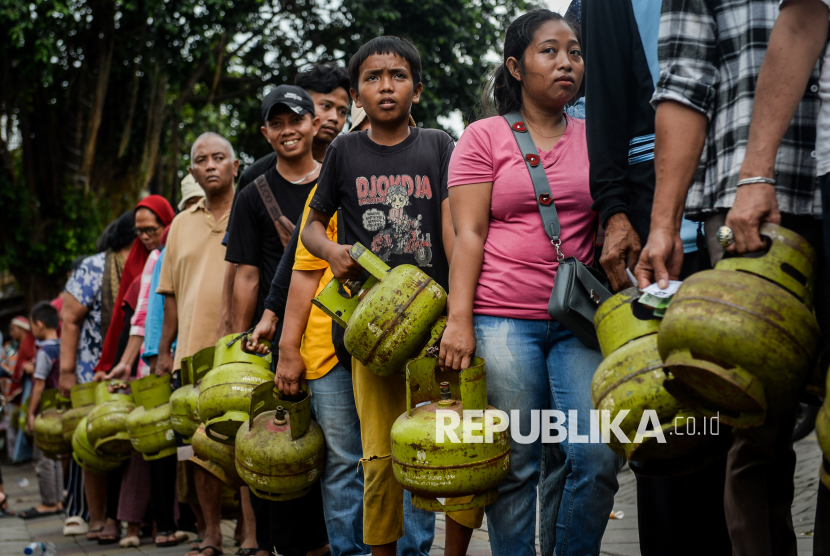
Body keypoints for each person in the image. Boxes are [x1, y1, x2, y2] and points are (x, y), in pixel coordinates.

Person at [633, 1, 823, 554]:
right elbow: (685, 83)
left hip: (823, 176)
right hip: (750, 207)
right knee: (755, 428)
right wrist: (663, 224)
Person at [438, 10, 622, 555]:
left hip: (579, 323)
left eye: (575, 52)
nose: (567, 62)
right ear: (516, 67)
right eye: (550, 51)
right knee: (516, 462)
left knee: (595, 455)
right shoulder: (482, 137)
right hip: (502, 320)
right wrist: (459, 321)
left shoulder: (599, 140)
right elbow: (467, 234)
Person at [301, 35, 479, 556]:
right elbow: (310, 228)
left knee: (451, 444)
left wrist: (456, 309)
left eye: (397, 76)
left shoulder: (439, 145)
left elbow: (452, 229)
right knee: (379, 455)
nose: (385, 86)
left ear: (417, 90)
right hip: (372, 333)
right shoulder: (343, 151)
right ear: (357, 93)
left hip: (435, 327)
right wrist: (333, 253)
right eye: (373, 78)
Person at [581, 1, 731, 554]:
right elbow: (607, 107)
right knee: (667, 424)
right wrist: (614, 209)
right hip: (654, 234)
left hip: (733, 210)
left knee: (739, 421)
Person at [713, 1, 830, 552]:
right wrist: (756, 174)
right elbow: (804, 16)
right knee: (757, 427)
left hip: (803, 192)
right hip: (785, 198)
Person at [225, 86, 329, 556]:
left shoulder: (337, 179)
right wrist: (238, 339)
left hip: (331, 333)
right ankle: (276, 543)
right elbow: (245, 274)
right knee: (279, 443)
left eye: (297, 120)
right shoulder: (251, 195)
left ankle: (327, 542)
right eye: (278, 123)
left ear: (314, 123)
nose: (288, 131)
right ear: (265, 132)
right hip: (275, 339)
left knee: (333, 448)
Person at [154, 132, 245, 556]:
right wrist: (164, 349)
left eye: (218, 157)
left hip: (240, 353)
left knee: (243, 442)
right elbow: (169, 295)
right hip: (189, 358)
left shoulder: (249, 210)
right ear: (191, 170)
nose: (210, 165)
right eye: (201, 159)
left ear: (235, 165)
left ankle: (250, 532)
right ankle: (210, 533)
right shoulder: (179, 224)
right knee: (196, 450)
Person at [20, 302, 63, 520]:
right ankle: (57, 500)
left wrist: (30, 413)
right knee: (54, 455)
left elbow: (39, 384)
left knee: (43, 456)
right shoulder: (63, 345)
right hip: (60, 408)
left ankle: (48, 502)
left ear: (39, 324)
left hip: (44, 410)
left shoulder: (45, 351)